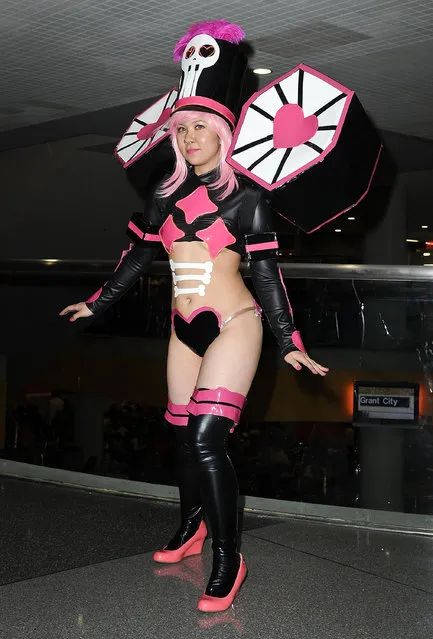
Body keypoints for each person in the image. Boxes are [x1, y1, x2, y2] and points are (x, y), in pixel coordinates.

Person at [60, 21, 329, 613]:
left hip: (236, 324)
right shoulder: (163, 194)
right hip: (184, 331)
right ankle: (193, 526)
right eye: (180, 128)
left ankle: (230, 558)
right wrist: (99, 301)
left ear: (224, 132)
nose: (187, 136)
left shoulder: (247, 199)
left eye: (200, 126)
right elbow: (137, 256)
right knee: (183, 438)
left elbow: (265, 274)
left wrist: (287, 338)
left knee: (208, 438)